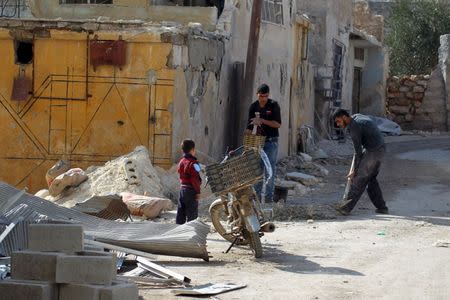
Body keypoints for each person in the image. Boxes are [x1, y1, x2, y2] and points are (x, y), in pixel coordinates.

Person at [333, 109, 389, 215]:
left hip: (373, 151)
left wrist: (354, 170)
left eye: (339, 121)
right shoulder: (357, 117)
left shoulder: (354, 126)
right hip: (381, 149)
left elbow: (357, 152)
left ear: (344, 117)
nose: (338, 124)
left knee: (359, 179)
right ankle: (382, 207)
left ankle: (345, 208)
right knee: (371, 180)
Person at [245, 84, 281, 203]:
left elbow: (277, 124)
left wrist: (261, 121)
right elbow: (249, 128)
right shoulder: (253, 107)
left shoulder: (274, 105)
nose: (263, 99)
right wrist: (246, 140)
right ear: (257, 94)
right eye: (261, 96)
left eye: (265, 96)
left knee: (270, 169)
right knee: (257, 170)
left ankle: (269, 199)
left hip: (271, 141)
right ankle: (256, 199)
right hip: (257, 142)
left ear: (268, 95)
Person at [176, 139, 202, 224]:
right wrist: (198, 192)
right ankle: (190, 234)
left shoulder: (181, 162)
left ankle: (179, 232)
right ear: (193, 150)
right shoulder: (194, 163)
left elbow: (179, 173)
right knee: (192, 215)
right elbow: (196, 179)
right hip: (191, 191)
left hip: (182, 190)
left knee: (181, 213)